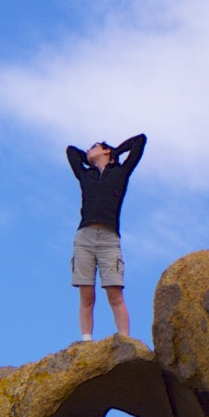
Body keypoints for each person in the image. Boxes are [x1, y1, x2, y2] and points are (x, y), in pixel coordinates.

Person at [65, 132, 147, 339]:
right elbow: (71, 151)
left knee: (114, 293)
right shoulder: (86, 175)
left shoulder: (120, 172)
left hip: (109, 239)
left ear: (106, 150)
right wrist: (93, 157)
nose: (87, 150)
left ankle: (126, 340)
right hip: (84, 238)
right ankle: (86, 341)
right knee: (86, 295)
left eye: (93, 146)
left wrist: (114, 152)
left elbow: (140, 141)